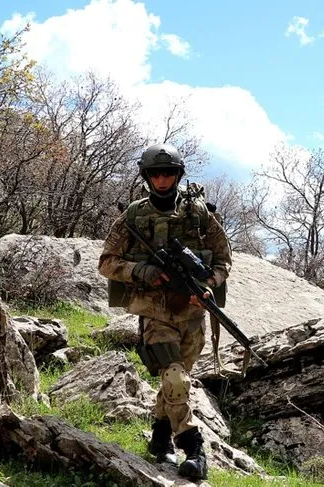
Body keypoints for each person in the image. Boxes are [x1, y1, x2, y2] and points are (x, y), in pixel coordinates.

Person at [98, 143, 231, 480]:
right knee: (175, 379)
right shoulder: (132, 217)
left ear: (178, 174)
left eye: (168, 172)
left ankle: (160, 439)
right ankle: (194, 449)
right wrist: (140, 272)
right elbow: (106, 263)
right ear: (146, 176)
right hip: (155, 312)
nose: (161, 179)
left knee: (177, 385)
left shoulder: (200, 215)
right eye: (155, 173)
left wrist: (208, 285)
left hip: (192, 313)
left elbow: (223, 258)